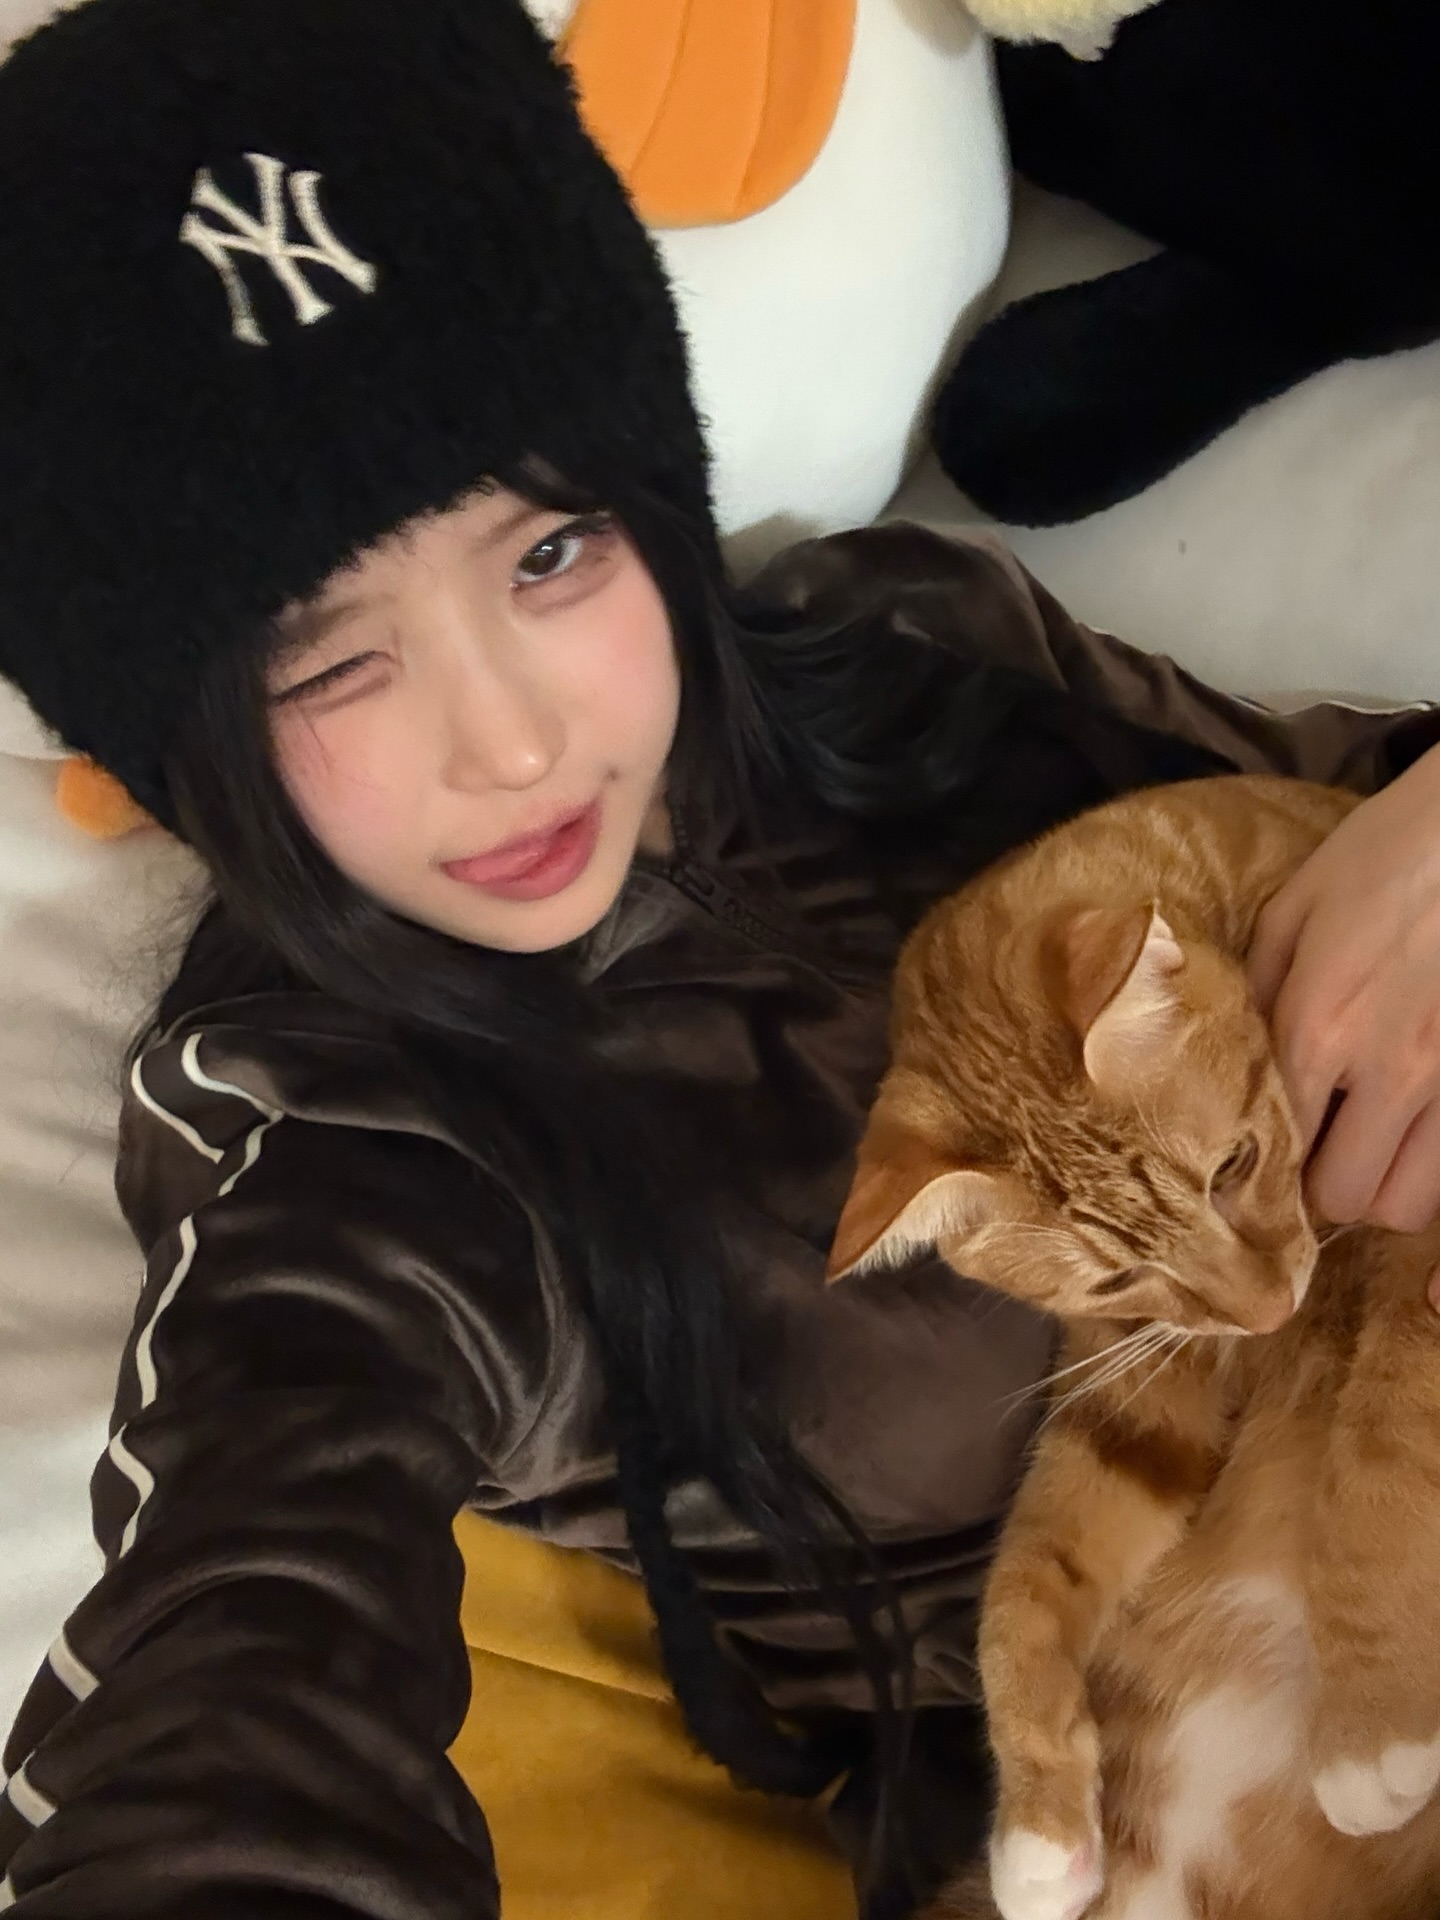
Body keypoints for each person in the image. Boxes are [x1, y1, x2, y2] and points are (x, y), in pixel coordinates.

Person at [1, 2, 1439, 1917]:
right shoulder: (337, 1135)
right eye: (326, 660)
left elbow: (1336, 800)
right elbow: (246, 1647)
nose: (513, 741)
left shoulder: (904, 638)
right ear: (166, 729)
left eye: (551, 555)